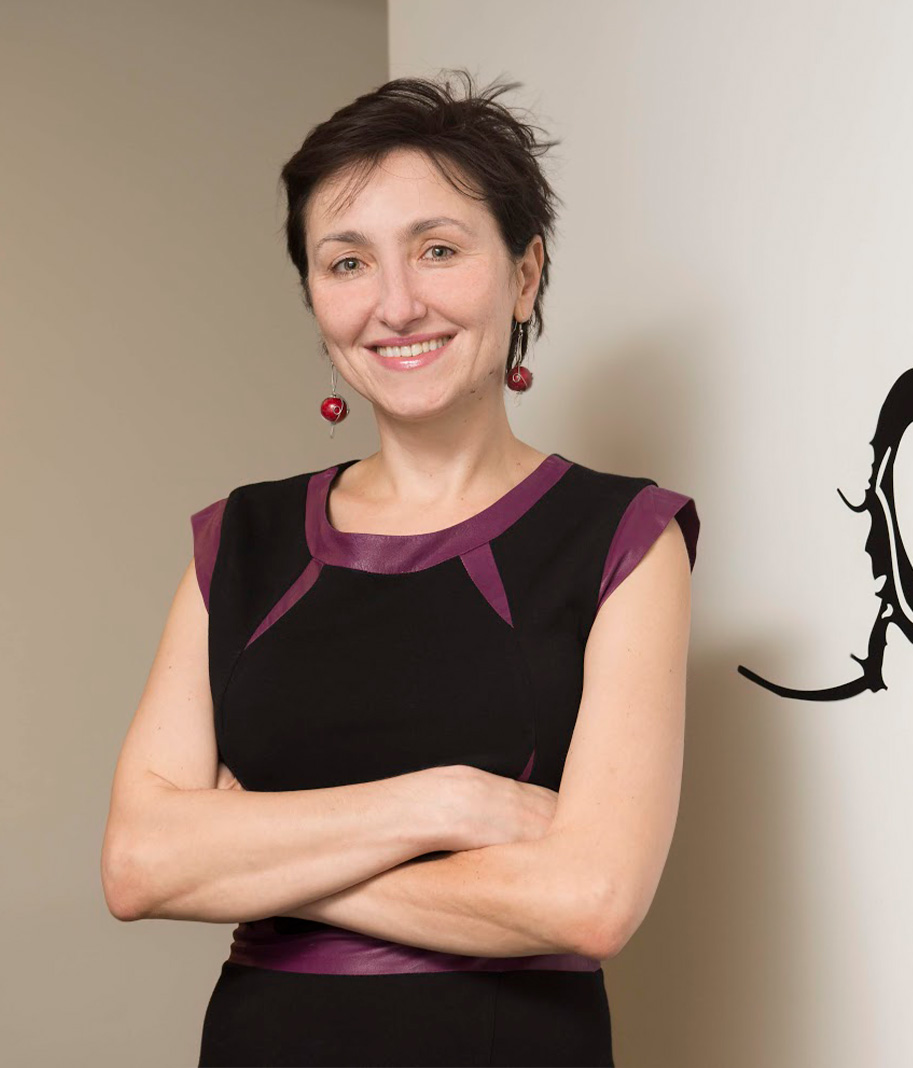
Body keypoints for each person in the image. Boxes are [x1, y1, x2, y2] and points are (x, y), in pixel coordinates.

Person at [100, 71, 698, 1067]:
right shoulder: (238, 540)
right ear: (313, 297)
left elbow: (589, 902)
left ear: (523, 273)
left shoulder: (624, 535)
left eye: (437, 250)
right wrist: (443, 805)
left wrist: (255, 854)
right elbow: (136, 866)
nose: (395, 304)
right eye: (346, 263)